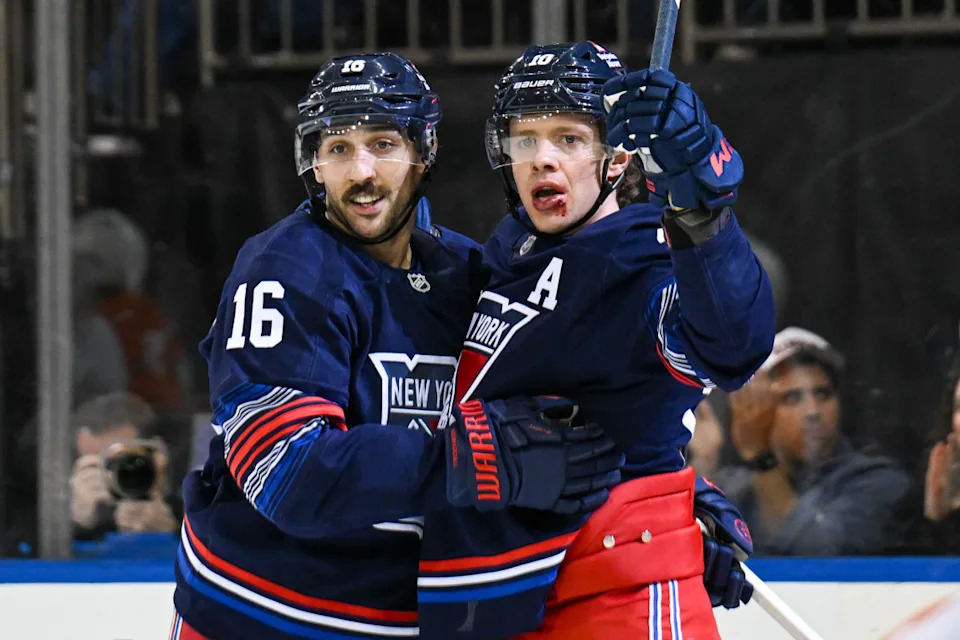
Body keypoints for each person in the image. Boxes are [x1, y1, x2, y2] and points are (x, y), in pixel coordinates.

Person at [169, 52, 621, 640]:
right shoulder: (284, 272)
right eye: (338, 149)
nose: (361, 172)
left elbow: (566, 414)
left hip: (399, 621)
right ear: (314, 164)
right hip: (260, 618)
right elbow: (286, 472)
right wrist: (474, 459)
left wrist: (661, 500)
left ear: (423, 152)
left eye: (382, 144)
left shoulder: (468, 275)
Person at [415, 42, 775, 640]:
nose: (542, 159)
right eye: (524, 140)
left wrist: (701, 212)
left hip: (618, 596)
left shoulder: (640, 258)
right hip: (515, 594)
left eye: (570, 139)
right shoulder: (512, 253)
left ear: (615, 158)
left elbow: (732, 346)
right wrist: (676, 480)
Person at [723, 326, 911, 555]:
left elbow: (819, 553)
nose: (812, 411)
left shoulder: (879, 481)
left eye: (823, 394)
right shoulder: (735, 489)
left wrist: (762, 460)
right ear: (755, 410)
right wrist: (704, 459)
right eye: (792, 398)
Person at [70, 392, 177, 539]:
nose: (109, 477)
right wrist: (77, 524)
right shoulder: (56, 510)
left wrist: (173, 532)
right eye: (93, 467)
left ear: (157, 454)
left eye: (121, 463)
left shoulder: (197, 498)